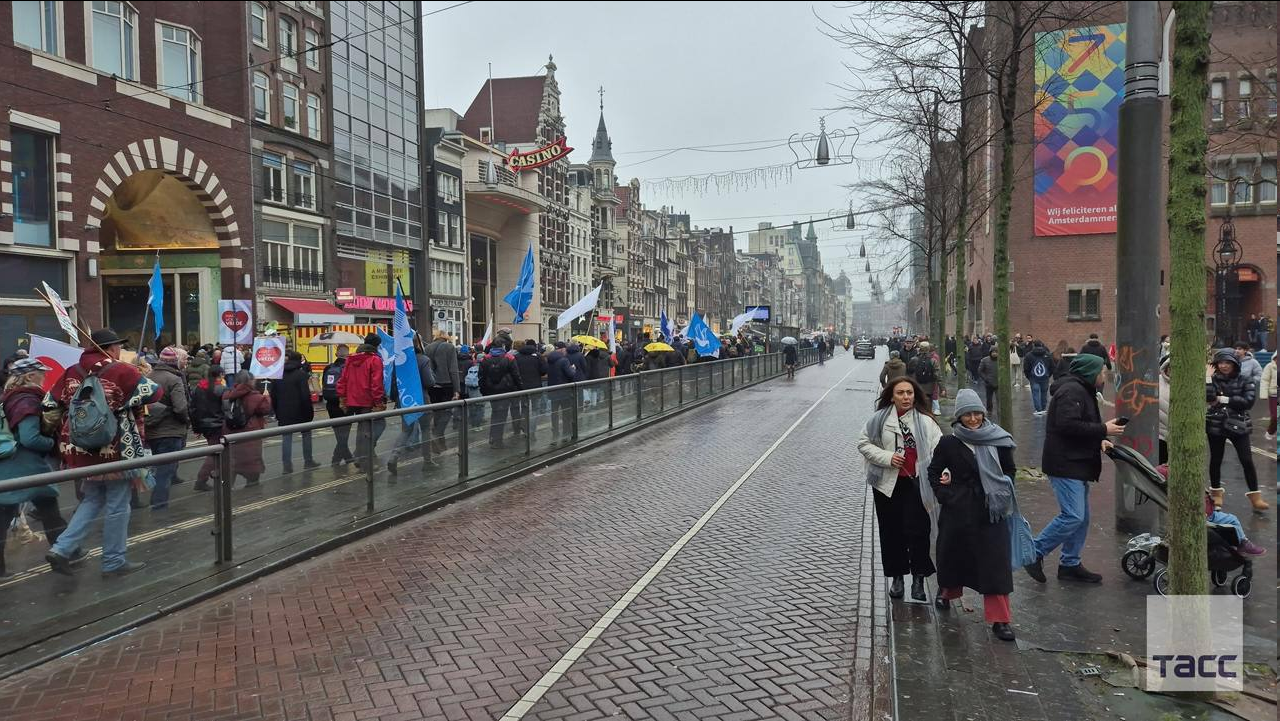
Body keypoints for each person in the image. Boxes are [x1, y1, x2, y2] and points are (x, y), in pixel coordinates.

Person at [43, 328, 161, 578]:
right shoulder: (121, 370)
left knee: (92, 499)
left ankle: (62, 548)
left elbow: (50, 403)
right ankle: (113, 560)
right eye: (117, 346)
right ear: (111, 348)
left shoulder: (72, 371)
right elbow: (154, 392)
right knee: (119, 504)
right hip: (116, 448)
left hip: (81, 448)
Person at [1024, 354, 1125, 584]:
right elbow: (1067, 425)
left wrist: (1098, 439)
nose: (1104, 376)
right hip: (1065, 463)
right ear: (1091, 373)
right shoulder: (1072, 391)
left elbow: (1078, 425)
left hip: (1076, 462)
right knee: (1073, 515)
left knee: (1082, 518)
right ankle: (1035, 552)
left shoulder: (1082, 389)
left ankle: (1069, 563)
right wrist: (1103, 429)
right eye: (1101, 372)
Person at [927, 389, 1018, 642]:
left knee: (995, 565)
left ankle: (1001, 620)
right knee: (954, 555)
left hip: (991, 512)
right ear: (959, 417)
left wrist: (1000, 490)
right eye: (967, 414)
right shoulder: (949, 442)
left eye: (977, 413)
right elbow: (933, 472)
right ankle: (946, 592)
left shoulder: (999, 440)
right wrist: (946, 495)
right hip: (959, 511)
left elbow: (1010, 471)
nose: (974, 419)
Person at [857, 377, 941, 603]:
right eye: (901, 393)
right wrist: (887, 457)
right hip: (888, 485)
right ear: (892, 396)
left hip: (917, 484)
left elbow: (939, 450)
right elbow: (863, 444)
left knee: (918, 532)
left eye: (910, 393)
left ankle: (918, 579)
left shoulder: (926, 422)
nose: (906, 397)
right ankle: (896, 577)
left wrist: (941, 472)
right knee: (891, 532)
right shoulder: (878, 420)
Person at [0, 359, 69, 578]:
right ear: (29, 376)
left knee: (9, 514)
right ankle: (65, 554)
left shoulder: (9, 397)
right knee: (49, 510)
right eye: (41, 373)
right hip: (25, 464)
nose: (44, 377)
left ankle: (67, 552)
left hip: (11, 464)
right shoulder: (27, 401)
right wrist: (51, 444)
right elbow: (30, 438)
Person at [1206, 349, 1266, 511]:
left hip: (1239, 425)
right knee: (1216, 460)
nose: (1224, 366)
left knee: (1247, 460)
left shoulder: (1245, 379)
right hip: (1216, 424)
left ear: (1235, 364)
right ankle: (1216, 494)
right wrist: (1207, 378)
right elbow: (1209, 398)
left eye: (1228, 363)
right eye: (1221, 363)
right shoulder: (1213, 379)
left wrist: (1224, 399)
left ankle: (1255, 496)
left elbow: (1248, 402)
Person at [143, 346, 190, 510]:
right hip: (171, 430)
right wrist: (186, 420)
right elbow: (180, 407)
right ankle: (159, 505)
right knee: (165, 471)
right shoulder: (174, 379)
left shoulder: (148, 376)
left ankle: (156, 502)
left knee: (158, 467)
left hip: (152, 429)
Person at [386, 334, 438, 475]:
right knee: (426, 429)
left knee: (406, 431)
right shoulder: (423, 359)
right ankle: (427, 461)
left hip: (405, 400)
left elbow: (393, 383)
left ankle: (394, 457)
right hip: (422, 400)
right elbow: (429, 382)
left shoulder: (399, 361)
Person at [337, 333, 386, 465]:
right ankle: (362, 457)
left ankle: (361, 454)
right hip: (367, 400)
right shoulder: (375, 359)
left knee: (362, 427)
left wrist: (343, 398)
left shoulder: (351, 358)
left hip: (352, 399)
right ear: (376, 345)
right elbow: (376, 383)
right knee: (375, 426)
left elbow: (343, 379)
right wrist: (378, 401)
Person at [222, 370, 271, 486]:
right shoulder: (257, 397)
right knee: (252, 462)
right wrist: (267, 397)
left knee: (232, 461)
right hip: (250, 433)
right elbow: (265, 409)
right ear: (250, 381)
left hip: (231, 432)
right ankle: (251, 488)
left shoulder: (227, 394)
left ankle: (226, 492)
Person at [274, 350, 319, 473]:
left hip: (283, 411)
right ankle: (308, 461)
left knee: (286, 439)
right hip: (300, 411)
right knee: (306, 436)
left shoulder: (278, 375)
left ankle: (287, 466)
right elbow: (305, 396)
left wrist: (277, 412)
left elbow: (274, 396)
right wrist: (309, 413)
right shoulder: (301, 375)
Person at [190, 365, 227, 492]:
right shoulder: (221, 389)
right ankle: (202, 479)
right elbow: (226, 409)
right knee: (214, 453)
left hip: (204, 425)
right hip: (217, 425)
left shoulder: (198, 388)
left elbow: (193, 409)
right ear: (220, 375)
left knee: (216, 452)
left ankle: (217, 475)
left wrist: (196, 428)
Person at [424, 330, 461, 453]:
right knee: (448, 411)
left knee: (437, 413)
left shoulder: (427, 347)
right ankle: (437, 434)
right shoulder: (450, 347)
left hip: (432, 385)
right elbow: (453, 370)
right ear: (446, 337)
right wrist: (457, 389)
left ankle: (439, 443)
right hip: (446, 384)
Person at [478, 345, 521, 448]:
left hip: (491, 390)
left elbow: (481, 376)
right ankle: (497, 441)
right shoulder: (509, 358)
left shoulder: (486, 358)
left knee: (495, 413)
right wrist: (520, 388)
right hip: (505, 390)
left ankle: (493, 437)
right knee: (501, 416)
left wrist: (484, 391)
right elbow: (516, 375)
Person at [321, 346, 356, 466]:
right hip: (345, 403)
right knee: (344, 434)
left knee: (339, 433)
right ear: (347, 355)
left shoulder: (328, 368)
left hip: (331, 404)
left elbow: (324, 385)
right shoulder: (349, 367)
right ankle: (337, 459)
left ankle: (346, 458)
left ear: (336, 354)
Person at [907, 342, 942, 415]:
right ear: (928, 349)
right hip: (929, 388)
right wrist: (942, 388)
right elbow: (937, 375)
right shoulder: (933, 361)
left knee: (917, 407)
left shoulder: (914, 359)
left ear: (920, 348)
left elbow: (908, 372)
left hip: (917, 387)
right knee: (928, 408)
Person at [1022, 341, 1055, 416]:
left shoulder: (1029, 355)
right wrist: (1048, 375)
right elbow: (1052, 367)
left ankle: (1038, 409)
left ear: (1033, 345)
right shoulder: (1047, 354)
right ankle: (1043, 408)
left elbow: (1026, 368)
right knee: (1044, 393)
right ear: (1042, 345)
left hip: (1033, 378)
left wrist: (1029, 377)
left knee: (1035, 393)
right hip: (1045, 377)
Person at [979, 348, 999, 417]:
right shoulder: (985, 360)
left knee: (999, 398)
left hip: (998, 382)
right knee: (989, 398)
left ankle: (1000, 410)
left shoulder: (1001, 360)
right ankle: (989, 410)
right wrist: (985, 379)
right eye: (993, 352)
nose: (994, 353)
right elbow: (980, 371)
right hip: (989, 383)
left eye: (996, 352)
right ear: (990, 352)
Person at [1262, 352, 1277, 441]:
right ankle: (1270, 431)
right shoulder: (1269, 366)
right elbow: (1265, 380)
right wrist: (1264, 394)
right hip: (1274, 395)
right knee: (1275, 416)